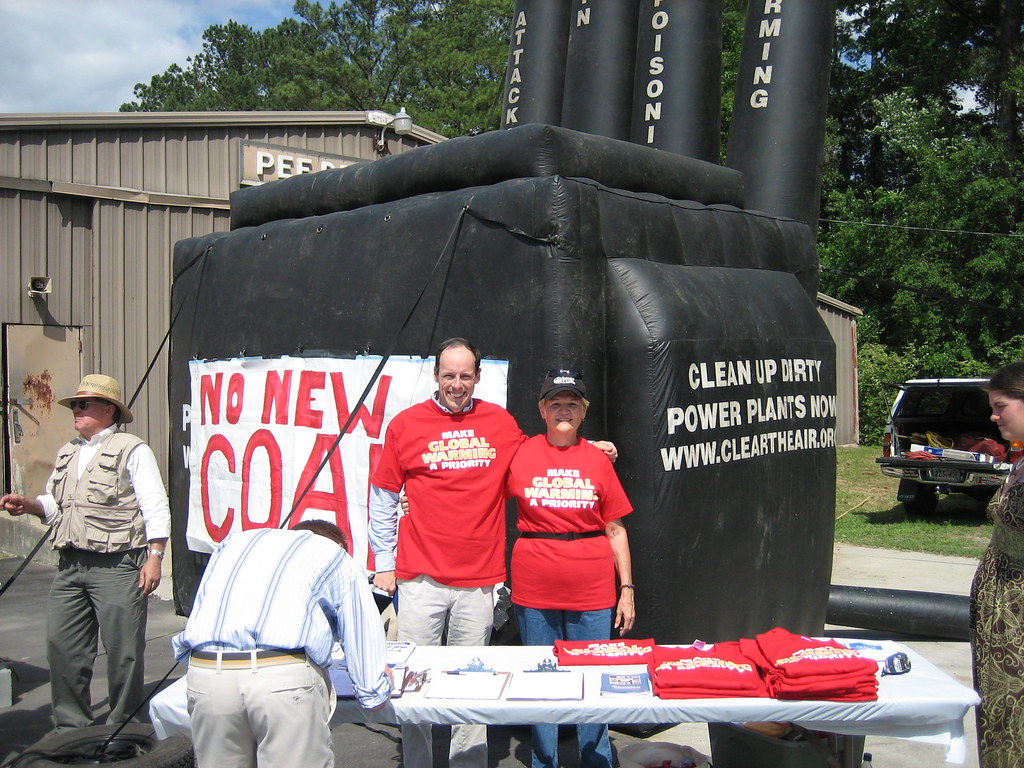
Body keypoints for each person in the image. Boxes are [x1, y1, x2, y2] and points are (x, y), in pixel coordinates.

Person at [368, 338, 616, 768]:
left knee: (472, 686)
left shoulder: (499, 422)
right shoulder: (406, 425)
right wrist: (384, 563)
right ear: (436, 376)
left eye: (465, 376)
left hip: (479, 581)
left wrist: (588, 448)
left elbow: (543, 452)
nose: (457, 384)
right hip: (419, 577)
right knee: (412, 686)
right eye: (449, 375)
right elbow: (384, 494)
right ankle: (418, 762)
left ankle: (467, 762)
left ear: (478, 377)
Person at [0, 373, 169, 731]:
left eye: (83, 404)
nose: (75, 410)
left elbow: (155, 506)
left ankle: (125, 728)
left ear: (108, 410)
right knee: (63, 648)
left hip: (118, 566)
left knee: (123, 652)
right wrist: (30, 505)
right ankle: (70, 729)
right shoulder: (68, 451)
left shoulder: (133, 449)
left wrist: (155, 557)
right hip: (70, 565)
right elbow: (57, 505)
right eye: (74, 405)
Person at [172, 520, 391, 768]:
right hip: (281, 677)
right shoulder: (336, 555)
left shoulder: (235, 542)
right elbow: (360, 628)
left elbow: (201, 609)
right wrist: (374, 688)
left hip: (208, 672)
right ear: (341, 545)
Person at [507, 369, 634, 768]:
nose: (564, 410)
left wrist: (627, 589)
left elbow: (615, 529)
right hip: (534, 586)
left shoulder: (598, 460)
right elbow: (474, 486)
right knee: (541, 679)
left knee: (592, 678)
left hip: (592, 588)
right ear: (542, 410)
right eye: (556, 403)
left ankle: (596, 760)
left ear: (584, 412)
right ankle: (544, 761)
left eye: (572, 404)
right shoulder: (520, 453)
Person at [970, 359, 1024, 767]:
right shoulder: (1020, 459)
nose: (993, 416)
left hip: (1018, 621)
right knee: (999, 719)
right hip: (1000, 619)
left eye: (1000, 406)